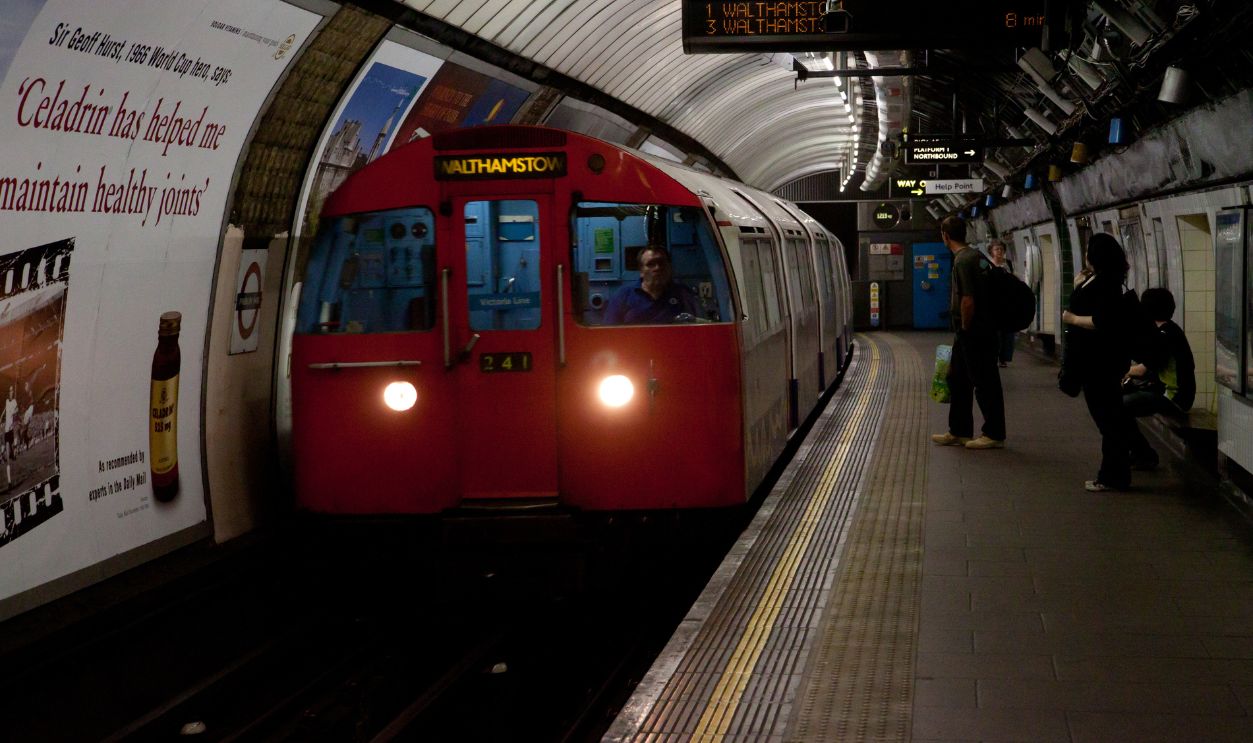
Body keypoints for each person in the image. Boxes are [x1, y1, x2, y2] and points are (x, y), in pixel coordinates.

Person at [1061, 233, 1136, 492]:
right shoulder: (1099, 279)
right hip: (1098, 361)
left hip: (1100, 362)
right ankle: (1113, 474)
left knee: (1108, 420)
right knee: (1108, 418)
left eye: (1088, 250)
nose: (1085, 255)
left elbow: (1102, 321)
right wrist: (1080, 285)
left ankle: (1113, 477)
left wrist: (1072, 319)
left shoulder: (1107, 284)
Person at [930, 216, 1006, 450]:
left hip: (973, 331)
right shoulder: (977, 256)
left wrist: (964, 327)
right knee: (958, 379)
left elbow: (968, 300)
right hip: (978, 329)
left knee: (984, 381)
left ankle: (994, 434)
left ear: (945, 236)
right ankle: (959, 430)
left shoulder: (962, 260)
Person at [1121, 287, 1195, 470]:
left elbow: (1142, 370)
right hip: (1167, 392)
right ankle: (1138, 453)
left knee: (1118, 407)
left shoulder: (1165, 335)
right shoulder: (1167, 330)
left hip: (1174, 397)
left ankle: (1144, 455)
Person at [604, 244, 701, 324]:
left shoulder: (683, 294)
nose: (657, 268)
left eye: (661, 263)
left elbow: (698, 326)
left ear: (669, 267)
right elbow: (609, 332)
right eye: (650, 264)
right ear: (641, 271)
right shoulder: (623, 295)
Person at [987, 240, 1016, 367]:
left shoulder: (1008, 264)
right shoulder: (986, 264)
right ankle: (994, 355)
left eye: (1001, 249)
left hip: (1007, 302)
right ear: (991, 251)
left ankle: (1004, 357)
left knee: (1008, 332)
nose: (999, 251)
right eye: (996, 249)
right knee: (995, 332)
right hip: (992, 302)